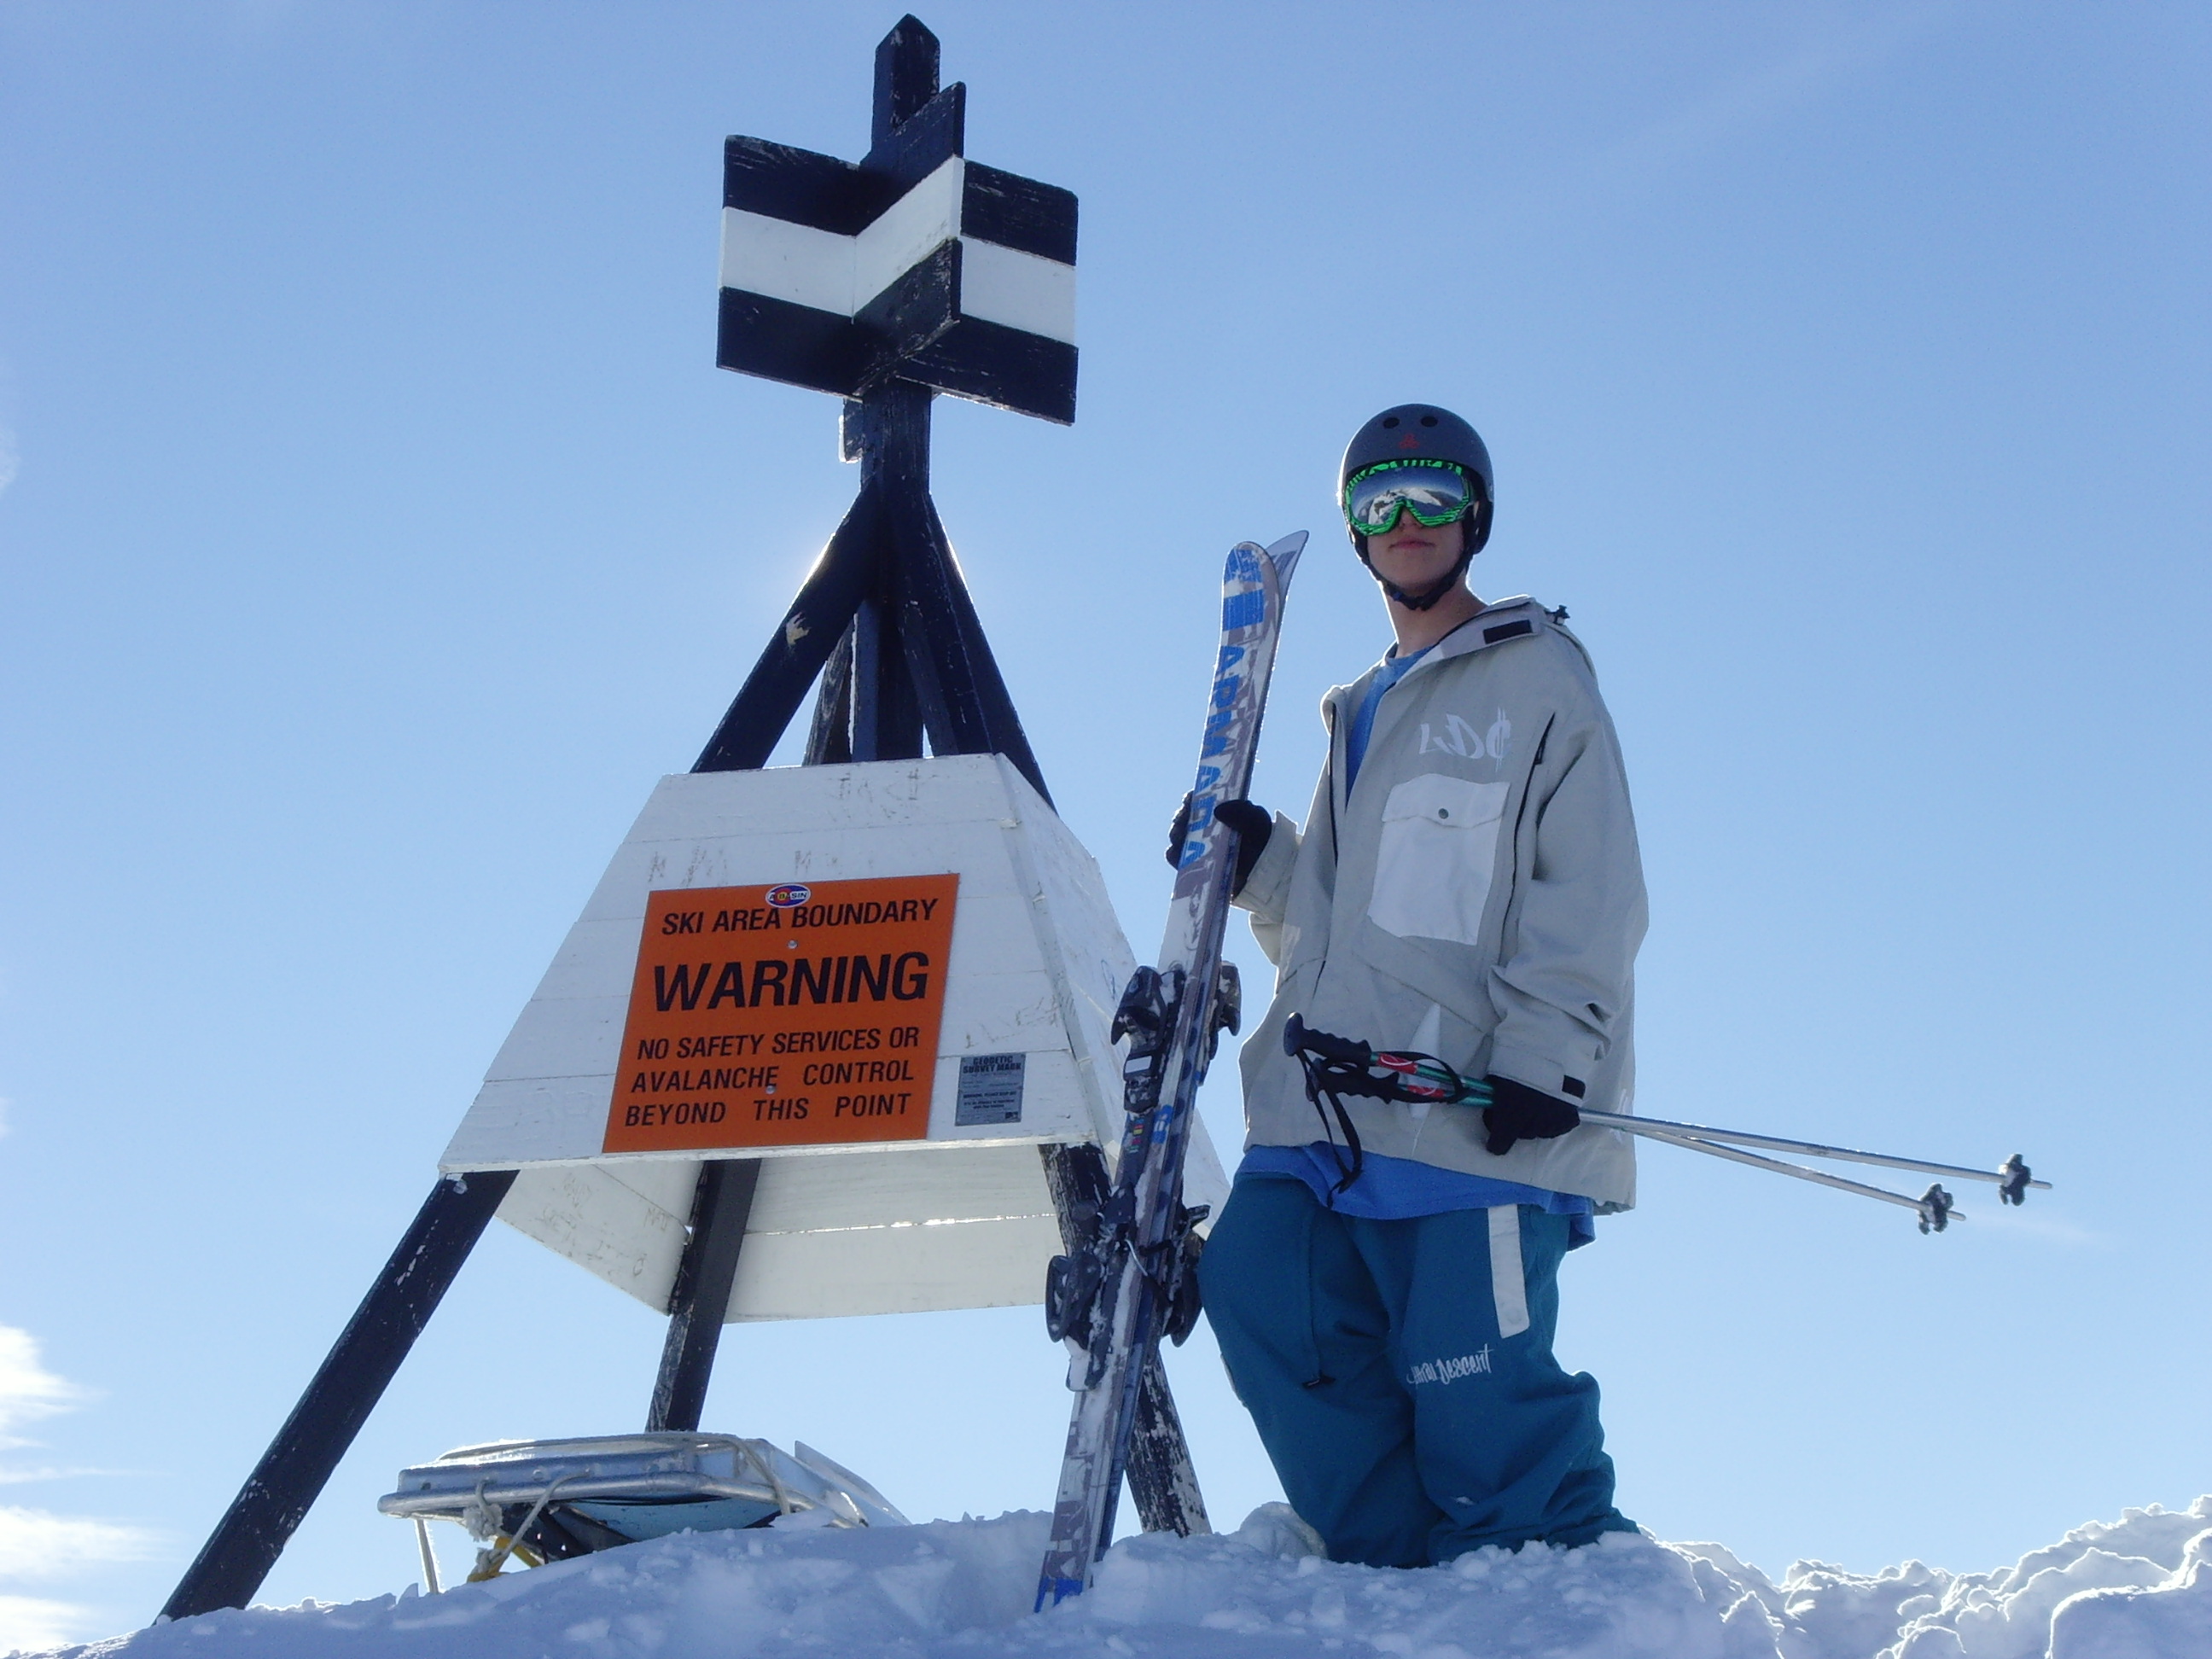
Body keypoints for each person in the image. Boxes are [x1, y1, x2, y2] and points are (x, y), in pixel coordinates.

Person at [1191, 402, 1646, 1569]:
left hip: (1466, 1113)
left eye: (1433, 497)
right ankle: (1395, 1576)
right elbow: (1346, 923)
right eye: (1379, 499)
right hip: (1324, 1101)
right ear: (1353, 526)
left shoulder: (1538, 677)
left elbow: (1587, 889)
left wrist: (1551, 1056)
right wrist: (1267, 869)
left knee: (1475, 1382)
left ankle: (1563, 1591)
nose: (1406, 521)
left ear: (1474, 515)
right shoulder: (1365, 705)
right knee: (1257, 1291)